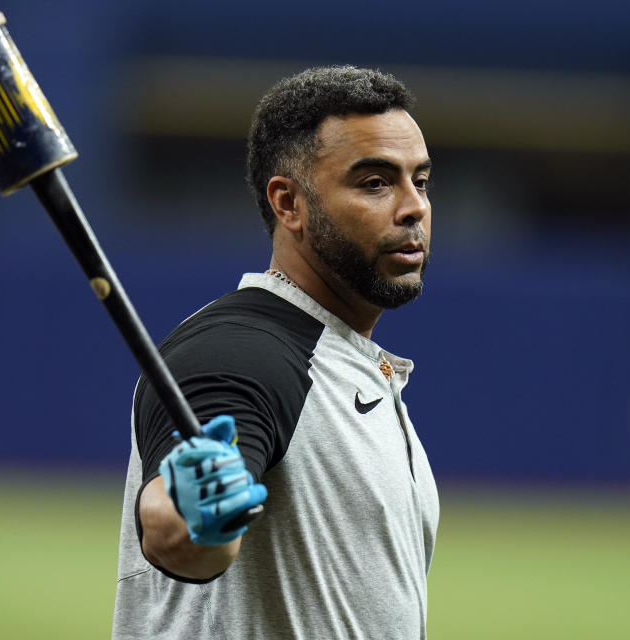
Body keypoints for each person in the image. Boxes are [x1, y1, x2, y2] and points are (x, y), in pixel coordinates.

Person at [112, 65, 440, 639]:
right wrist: (195, 516)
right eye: (375, 183)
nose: (413, 207)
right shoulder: (242, 352)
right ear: (289, 203)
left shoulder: (340, 358)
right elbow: (176, 527)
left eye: (421, 180)